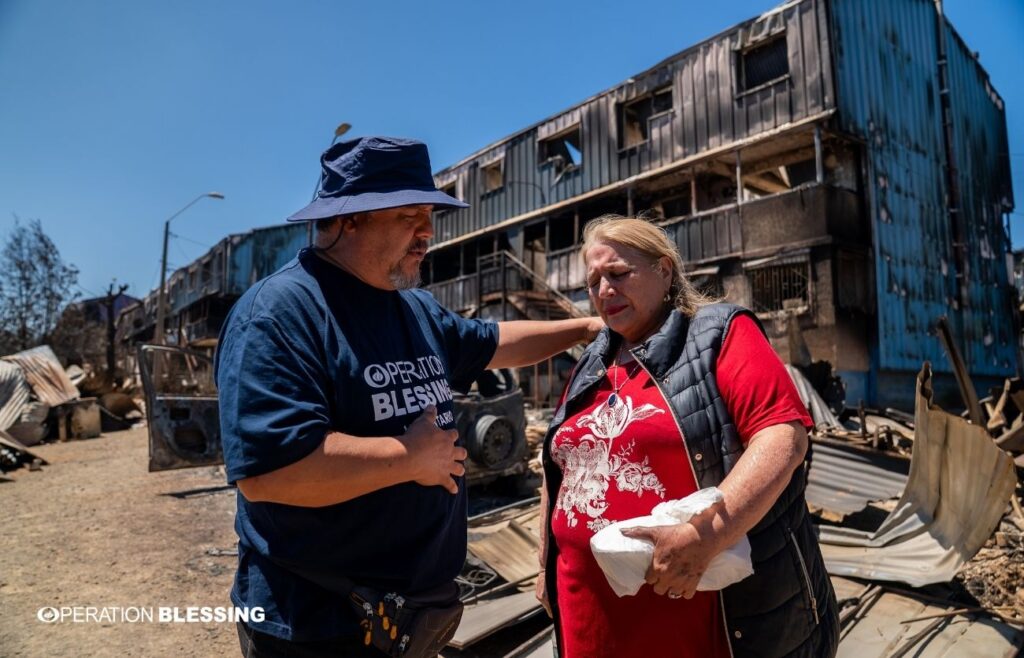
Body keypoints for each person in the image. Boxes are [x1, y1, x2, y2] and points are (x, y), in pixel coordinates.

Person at [215, 136, 603, 656]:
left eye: (430, 213)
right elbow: (270, 475)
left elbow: (494, 342)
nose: (428, 231)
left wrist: (587, 327)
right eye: (409, 215)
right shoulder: (281, 314)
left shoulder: (413, 309)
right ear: (349, 219)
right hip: (318, 626)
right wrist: (408, 458)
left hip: (409, 619)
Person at [536, 216, 838, 658]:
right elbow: (560, 463)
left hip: (691, 625)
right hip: (588, 621)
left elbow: (782, 437)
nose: (603, 291)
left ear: (664, 271)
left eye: (618, 274)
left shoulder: (717, 333)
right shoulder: (592, 363)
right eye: (593, 282)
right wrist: (545, 560)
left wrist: (707, 536)